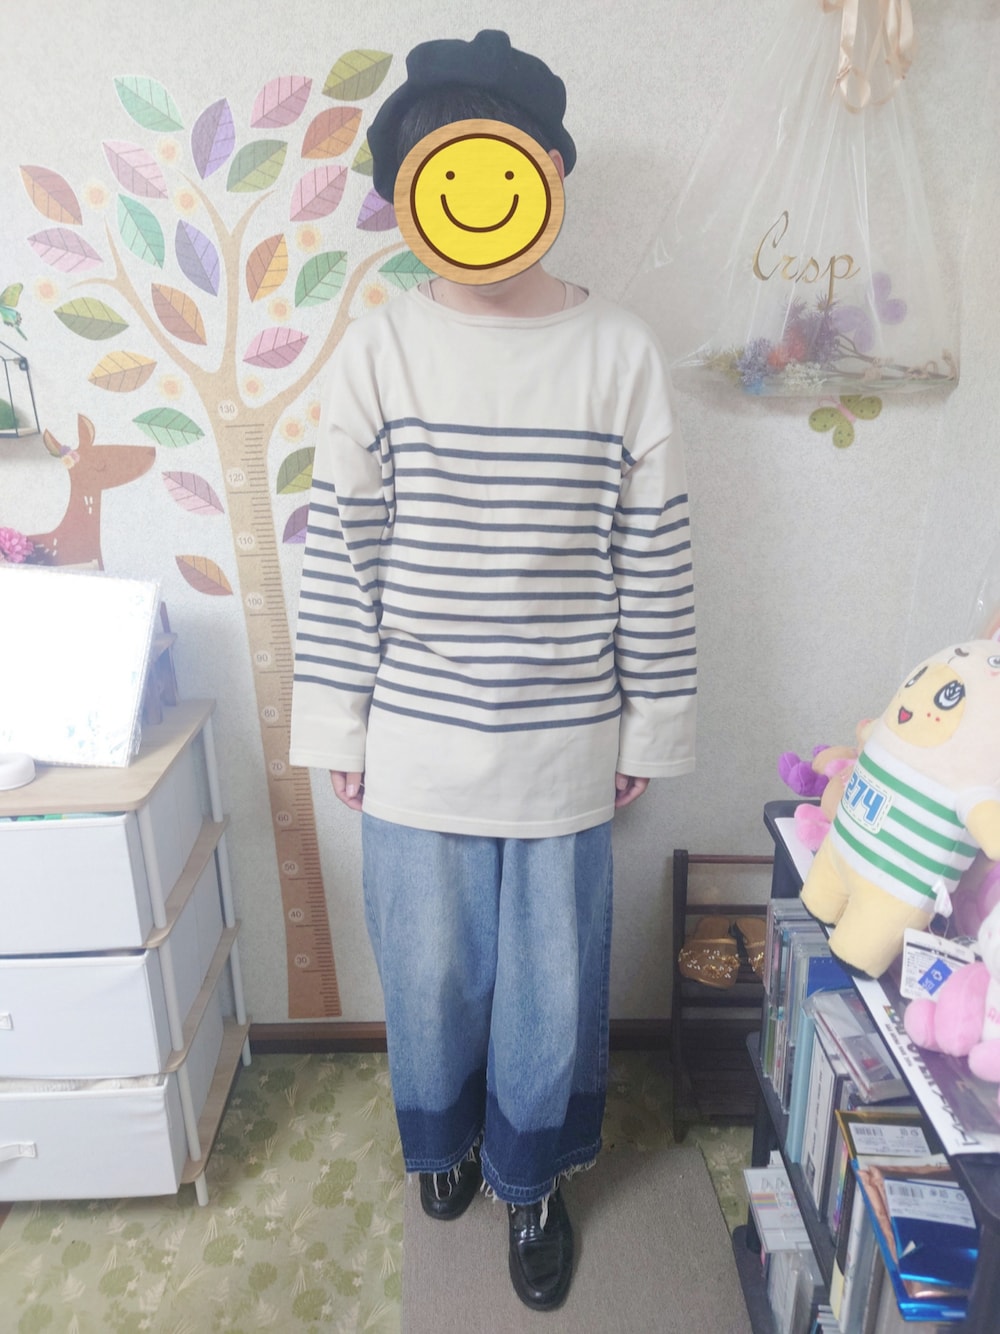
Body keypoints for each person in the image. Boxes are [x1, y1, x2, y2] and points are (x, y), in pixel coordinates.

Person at [289, 29, 696, 1312]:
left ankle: (532, 1176)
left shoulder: (619, 350)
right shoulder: (380, 349)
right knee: (427, 970)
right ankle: (444, 1140)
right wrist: (338, 721)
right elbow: (342, 549)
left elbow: (654, 552)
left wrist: (649, 725)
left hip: (567, 737)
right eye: (440, 171)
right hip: (414, 736)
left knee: (549, 985)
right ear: (409, 195)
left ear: (545, 174)